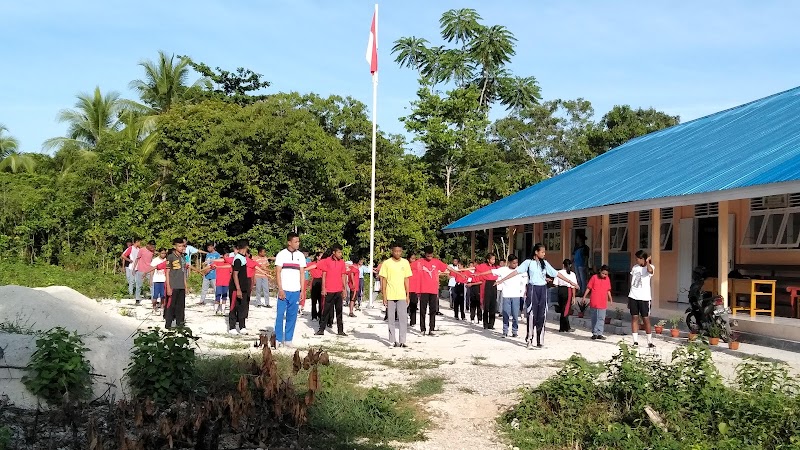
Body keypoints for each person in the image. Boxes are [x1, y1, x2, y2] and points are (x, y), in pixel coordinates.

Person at [496, 244, 578, 348]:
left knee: (542, 315)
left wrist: (571, 282)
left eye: (544, 252)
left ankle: (540, 340)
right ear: (536, 252)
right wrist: (502, 280)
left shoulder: (545, 263)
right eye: (542, 252)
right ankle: (529, 339)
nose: (544, 254)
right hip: (533, 289)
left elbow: (556, 273)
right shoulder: (528, 263)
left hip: (543, 290)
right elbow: (515, 272)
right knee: (531, 314)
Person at [274, 232, 307, 347]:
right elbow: (277, 272)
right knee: (280, 315)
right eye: (296, 241)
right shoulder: (281, 255)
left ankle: (288, 339)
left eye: (299, 241)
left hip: (296, 290)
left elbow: (302, 274)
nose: (298, 243)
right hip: (284, 290)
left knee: (292, 316)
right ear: (289, 242)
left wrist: (302, 290)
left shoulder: (301, 256)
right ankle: (278, 338)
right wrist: (281, 289)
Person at [379, 243, 412, 348]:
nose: (397, 253)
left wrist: (407, 294)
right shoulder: (387, 263)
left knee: (403, 319)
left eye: (399, 251)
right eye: (395, 251)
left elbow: (406, 279)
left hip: (401, 295)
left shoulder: (405, 262)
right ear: (392, 251)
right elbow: (383, 280)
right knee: (391, 319)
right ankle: (392, 340)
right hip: (390, 295)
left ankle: (403, 340)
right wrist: (384, 296)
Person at [488, 255, 525, 338]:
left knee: (515, 315)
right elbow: (491, 271)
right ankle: (505, 331)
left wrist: (523, 291)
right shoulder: (503, 270)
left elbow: (525, 281)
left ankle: (514, 331)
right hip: (506, 296)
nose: (515, 265)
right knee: (506, 314)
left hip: (516, 296)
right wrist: (478, 274)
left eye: (516, 263)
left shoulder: (520, 270)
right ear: (509, 262)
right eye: (513, 263)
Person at [316, 244, 349, 336]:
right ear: (334, 252)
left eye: (341, 252)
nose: (340, 254)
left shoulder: (342, 262)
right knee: (326, 310)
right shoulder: (327, 261)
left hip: (338, 290)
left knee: (339, 311)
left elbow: (343, 275)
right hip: (329, 289)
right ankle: (321, 329)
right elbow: (324, 275)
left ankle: (340, 330)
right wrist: (323, 288)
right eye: (339, 252)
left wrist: (344, 289)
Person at [417, 246, 449, 336]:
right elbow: (408, 266)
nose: (429, 257)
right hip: (423, 290)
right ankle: (422, 329)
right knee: (423, 310)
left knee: (433, 310)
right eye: (428, 255)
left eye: (431, 255)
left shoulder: (436, 261)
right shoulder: (420, 262)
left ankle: (432, 329)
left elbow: (447, 268)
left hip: (433, 290)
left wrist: (458, 273)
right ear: (425, 254)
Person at [630, 250, 655, 348]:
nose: (636, 260)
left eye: (638, 258)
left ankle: (649, 341)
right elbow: (632, 279)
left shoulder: (650, 267)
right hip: (633, 296)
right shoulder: (635, 267)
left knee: (646, 319)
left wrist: (647, 262)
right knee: (634, 317)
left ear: (643, 259)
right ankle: (635, 341)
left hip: (644, 298)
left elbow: (650, 271)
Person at [582, 265, 613, 340]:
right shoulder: (594, 277)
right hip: (594, 301)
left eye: (606, 274)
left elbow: (608, 290)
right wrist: (584, 297)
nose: (604, 275)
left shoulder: (607, 279)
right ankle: (594, 333)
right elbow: (589, 288)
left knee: (601, 318)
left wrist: (610, 299)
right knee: (594, 318)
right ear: (600, 271)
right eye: (603, 273)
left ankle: (600, 333)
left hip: (603, 301)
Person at [164, 238, 188, 329]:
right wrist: (168, 287)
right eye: (179, 246)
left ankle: (180, 324)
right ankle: (168, 325)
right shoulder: (170, 257)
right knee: (171, 306)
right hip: (173, 285)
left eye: (183, 246)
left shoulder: (183, 257)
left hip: (181, 285)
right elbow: (167, 272)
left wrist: (186, 285)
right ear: (175, 246)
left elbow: (183, 272)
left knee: (181, 307)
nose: (181, 248)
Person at [474, 254, 500, 330]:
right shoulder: (483, 266)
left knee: (493, 304)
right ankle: (485, 323)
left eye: (494, 259)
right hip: (487, 284)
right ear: (488, 260)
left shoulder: (496, 267)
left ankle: (491, 324)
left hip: (494, 284)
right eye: (492, 259)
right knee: (486, 304)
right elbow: (475, 268)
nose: (493, 261)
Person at [554, 259, 578, 332]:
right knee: (566, 309)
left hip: (560, 290)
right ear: (570, 265)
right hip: (568, 291)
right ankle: (566, 327)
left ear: (563, 265)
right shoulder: (572, 274)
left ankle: (562, 327)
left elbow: (555, 284)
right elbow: (573, 286)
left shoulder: (558, 272)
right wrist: (574, 297)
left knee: (562, 309)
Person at [145, 248, 168, 312]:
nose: (163, 255)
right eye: (162, 253)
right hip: (156, 279)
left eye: (164, 253)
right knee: (155, 295)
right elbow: (152, 270)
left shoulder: (167, 260)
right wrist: (151, 279)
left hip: (164, 279)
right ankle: (154, 306)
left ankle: (162, 305)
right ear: (159, 253)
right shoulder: (155, 260)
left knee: (163, 295)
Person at [134, 240, 155, 305]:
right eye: (151, 246)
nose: (152, 248)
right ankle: (137, 299)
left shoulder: (152, 251)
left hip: (149, 270)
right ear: (148, 245)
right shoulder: (142, 250)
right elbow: (137, 259)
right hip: (141, 270)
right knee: (139, 285)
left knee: (152, 285)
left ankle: (153, 299)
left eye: (153, 247)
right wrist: (134, 268)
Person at [307, 252, 323, 321]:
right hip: (315, 280)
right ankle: (314, 316)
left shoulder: (324, 264)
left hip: (322, 280)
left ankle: (320, 314)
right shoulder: (312, 264)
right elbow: (303, 266)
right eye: (320, 256)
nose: (321, 258)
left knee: (321, 300)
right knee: (314, 300)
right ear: (317, 257)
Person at [407, 253, 420, 327]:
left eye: (414, 258)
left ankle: (413, 321)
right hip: (407, 288)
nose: (413, 260)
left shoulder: (418, 266)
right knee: (405, 304)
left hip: (415, 288)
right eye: (412, 258)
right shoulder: (406, 265)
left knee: (414, 304)